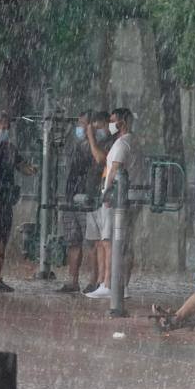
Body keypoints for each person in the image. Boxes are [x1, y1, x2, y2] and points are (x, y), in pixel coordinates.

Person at [86, 108, 145, 300]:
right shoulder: (133, 142)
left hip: (116, 199)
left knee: (109, 240)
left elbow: (114, 170)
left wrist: (106, 193)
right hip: (130, 197)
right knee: (124, 242)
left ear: (122, 123)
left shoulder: (122, 144)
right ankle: (122, 286)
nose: (109, 125)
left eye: (112, 121)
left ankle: (109, 284)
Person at [0, 111, 37, 292]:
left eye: (8, 128)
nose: (6, 131)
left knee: (0, 242)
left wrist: (32, 169)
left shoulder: (9, 149)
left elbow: (21, 166)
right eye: (4, 128)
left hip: (4, 202)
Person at [56, 111, 110, 293]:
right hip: (71, 196)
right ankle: (73, 280)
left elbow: (98, 161)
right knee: (73, 240)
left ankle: (94, 280)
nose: (81, 129)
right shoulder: (74, 144)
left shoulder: (100, 144)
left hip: (89, 198)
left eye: (84, 125)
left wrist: (91, 137)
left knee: (92, 242)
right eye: (80, 125)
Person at [83, 111, 116, 295]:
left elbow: (100, 158)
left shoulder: (111, 142)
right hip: (94, 197)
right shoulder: (99, 141)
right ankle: (99, 280)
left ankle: (106, 281)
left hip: (105, 197)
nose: (96, 129)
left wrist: (91, 137)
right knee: (97, 242)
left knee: (106, 241)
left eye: (98, 125)